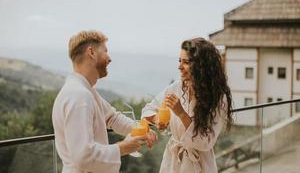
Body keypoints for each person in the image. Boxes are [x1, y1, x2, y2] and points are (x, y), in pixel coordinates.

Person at [52, 30, 157, 173]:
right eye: (105, 51)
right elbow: (84, 156)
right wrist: (124, 147)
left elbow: (112, 117)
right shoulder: (79, 96)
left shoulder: (85, 91)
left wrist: (142, 130)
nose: (109, 58)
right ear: (92, 52)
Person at [142, 37, 233, 173]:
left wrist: (181, 113)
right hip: (173, 162)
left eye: (186, 62)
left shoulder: (219, 98)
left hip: (200, 164)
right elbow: (148, 109)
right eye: (180, 61)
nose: (179, 67)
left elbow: (205, 142)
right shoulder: (176, 88)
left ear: (201, 66)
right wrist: (157, 120)